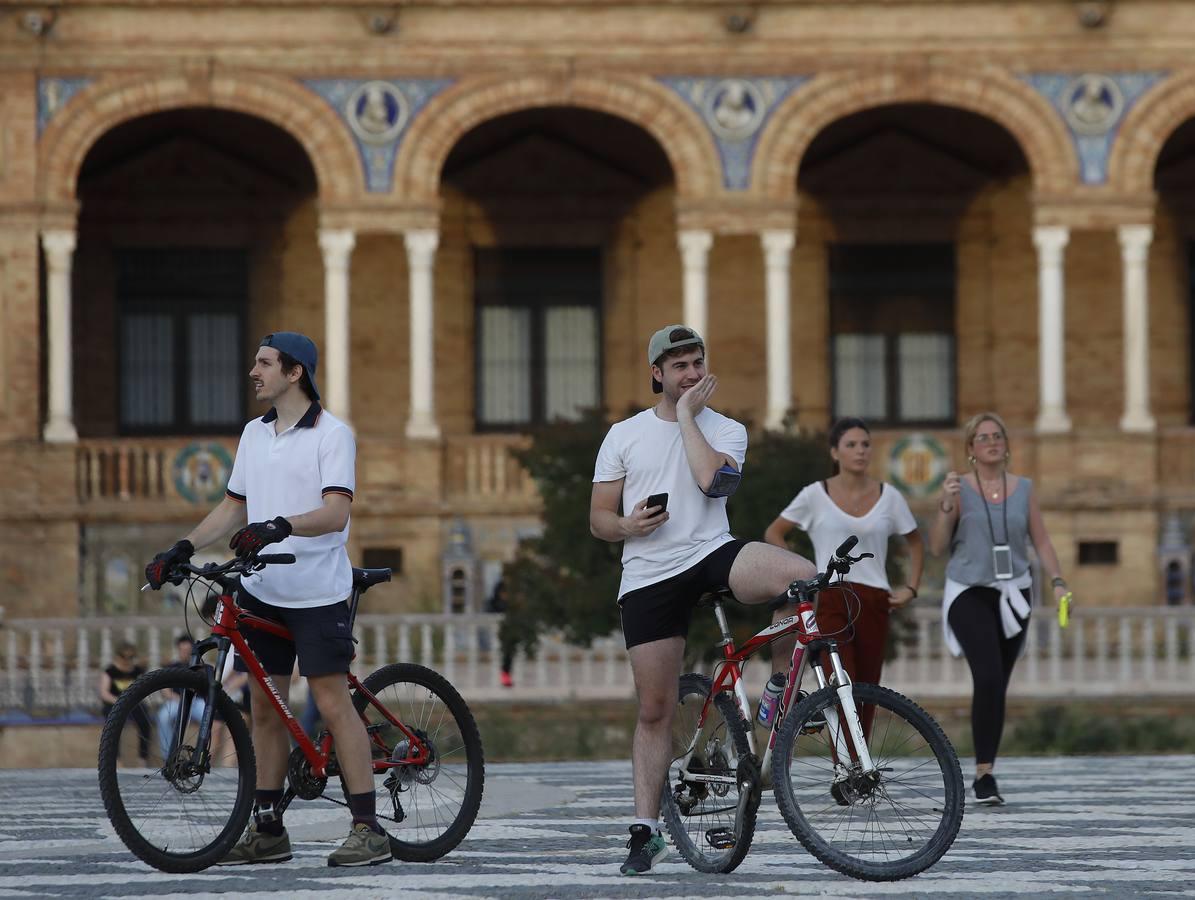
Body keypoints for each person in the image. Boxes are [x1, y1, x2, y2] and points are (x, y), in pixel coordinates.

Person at [144, 331, 391, 868]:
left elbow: (336, 513)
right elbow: (233, 507)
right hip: (262, 589)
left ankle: (368, 828)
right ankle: (269, 829)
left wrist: (280, 525)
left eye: (264, 363)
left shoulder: (332, 434)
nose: (253, 372)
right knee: (262, 711)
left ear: (294, 371)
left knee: (330, 701)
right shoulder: (254, 435)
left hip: (318, 591)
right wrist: (183, 546)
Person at [590, 324, 817, 876]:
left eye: (697, 363)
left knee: (804, 578)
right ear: (657, 374)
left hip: (712, 552)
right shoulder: (623, 434)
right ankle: (645, 833)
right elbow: (598, 521)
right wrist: (627, 524)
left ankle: (781, 687)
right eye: (679, 366)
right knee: (654, 709)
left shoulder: (727, 429)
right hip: (647, 572)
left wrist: (689, 417)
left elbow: (713, 482)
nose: (691, 374)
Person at [928, 411, 1072, 807]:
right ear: (971, 449)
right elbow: (938, 547)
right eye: (983, 437)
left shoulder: (1024, 488)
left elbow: (1040, 541)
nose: (992, 442)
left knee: (997, 683)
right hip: (969, 591)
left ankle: (985, 770)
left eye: (997, 436)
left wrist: (1058, 581)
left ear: (1006, 445)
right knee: (988, 674)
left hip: (1015, 592)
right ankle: (983, 775)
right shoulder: (959, 487)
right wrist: (945, 504)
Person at [763, 417, 923, 736]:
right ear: (835, 452)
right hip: (832, 596)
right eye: (851, 445)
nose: (860, 451)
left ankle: (857, 772)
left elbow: (915, 542)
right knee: (841, 681)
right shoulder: (814, 495)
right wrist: (804, 573)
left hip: (875, 599)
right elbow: (774, 533)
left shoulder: (889, 496)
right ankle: (846, 764)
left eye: (865, 444)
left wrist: (911, 588)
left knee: (867, 686)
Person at [156, 634, 208, 761]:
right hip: (176, 701)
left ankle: (201, 757)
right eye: (182, 650)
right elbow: (165, 690)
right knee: (163, 717)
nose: (185, 652)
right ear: (178, 649)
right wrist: (176, 698)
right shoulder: (171, 667)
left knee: (208, 718)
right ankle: (169, 756)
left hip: (196, 701)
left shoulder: (200, 668)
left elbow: (206, 689)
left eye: (187, 650)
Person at [99, 642, 150, 763]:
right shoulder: (110, 671)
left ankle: (142, 758)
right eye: (124, 656)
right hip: (114, 704)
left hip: (133, 704)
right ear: (117, 656)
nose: (127, 660)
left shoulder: (137, 671)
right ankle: (115, 759)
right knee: (113, 726)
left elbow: (144, 689)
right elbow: (104, 693)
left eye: (131, 657)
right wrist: (119, 702)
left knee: (145, 722)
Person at [487, 579, 514, 688]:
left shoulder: (510, 603)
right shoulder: (494, 603)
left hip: (508, 633)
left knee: (508, 655)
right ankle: (504, 677)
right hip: (498, 632)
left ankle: (506, 677)